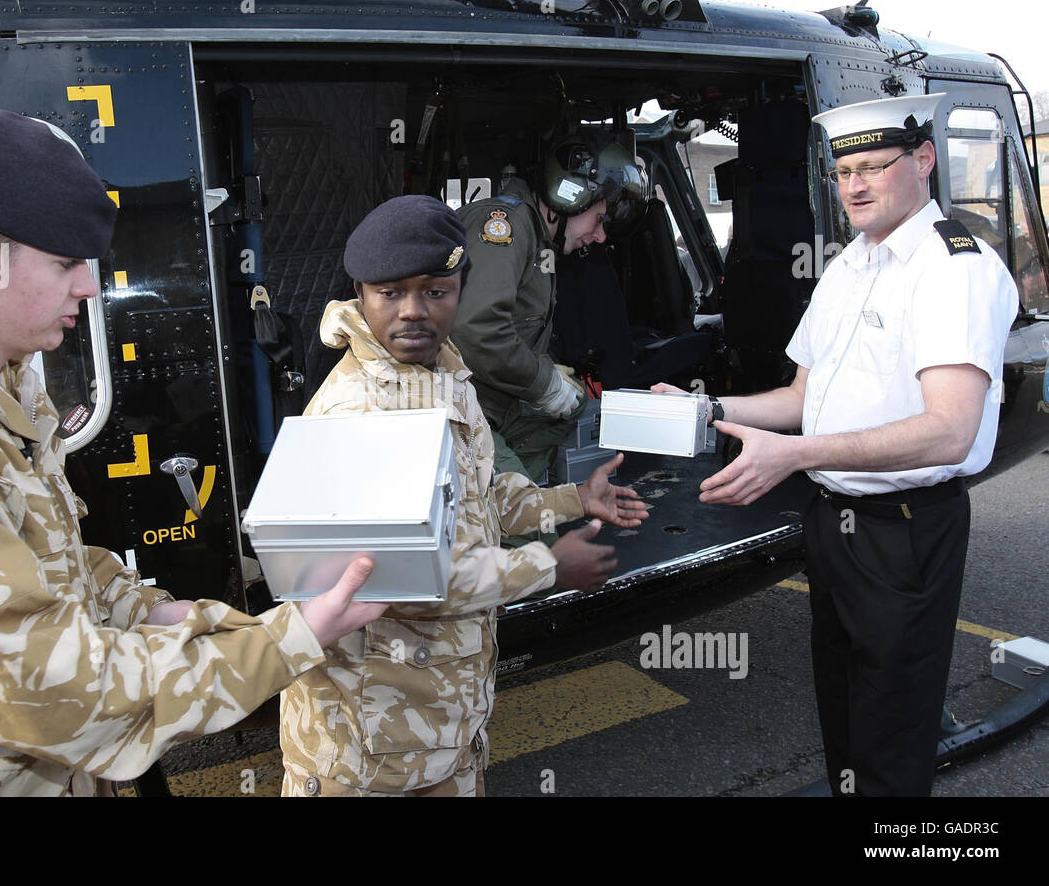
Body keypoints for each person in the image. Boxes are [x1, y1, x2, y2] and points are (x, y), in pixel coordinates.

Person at [0, 108, 385, 796]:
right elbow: (51, 692)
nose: (88, 285)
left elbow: (45, 561)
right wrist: (288, 639)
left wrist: (156, 612)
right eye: (64, 262)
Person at [654, 93, 1019, 796]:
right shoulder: (852, 262)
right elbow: (801, 398)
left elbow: (951, 428)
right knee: (845, 721)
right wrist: (709, 409)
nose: (853, 185)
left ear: (923, 160)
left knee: (892, 736)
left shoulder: (952, 268)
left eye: (873, 167)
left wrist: (793, 455)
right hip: (836, 524)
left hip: (905, 530)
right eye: (843, 170)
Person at [279, 195, 648, 796]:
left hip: (437, 720)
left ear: (461, 289)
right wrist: (548, 565)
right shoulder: (363, 410)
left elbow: (481, 495)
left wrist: (573, 500)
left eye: (436, 291)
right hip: (371, 747)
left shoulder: (441, 375)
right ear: (360, 293)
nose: (413, 313)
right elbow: (405, 578)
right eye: (390, 294)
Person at [451, 133, 647, 484]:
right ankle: (507, 503)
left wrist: (546, 372)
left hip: (491, 405)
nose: (600, 237)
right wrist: (544, 384)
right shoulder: (505, 227)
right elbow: (476, 330)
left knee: (575, 409)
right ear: (569, 195)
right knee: (534, 529)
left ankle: (516, 483)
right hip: (460, 414)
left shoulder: (538, 237)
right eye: (600, 219)